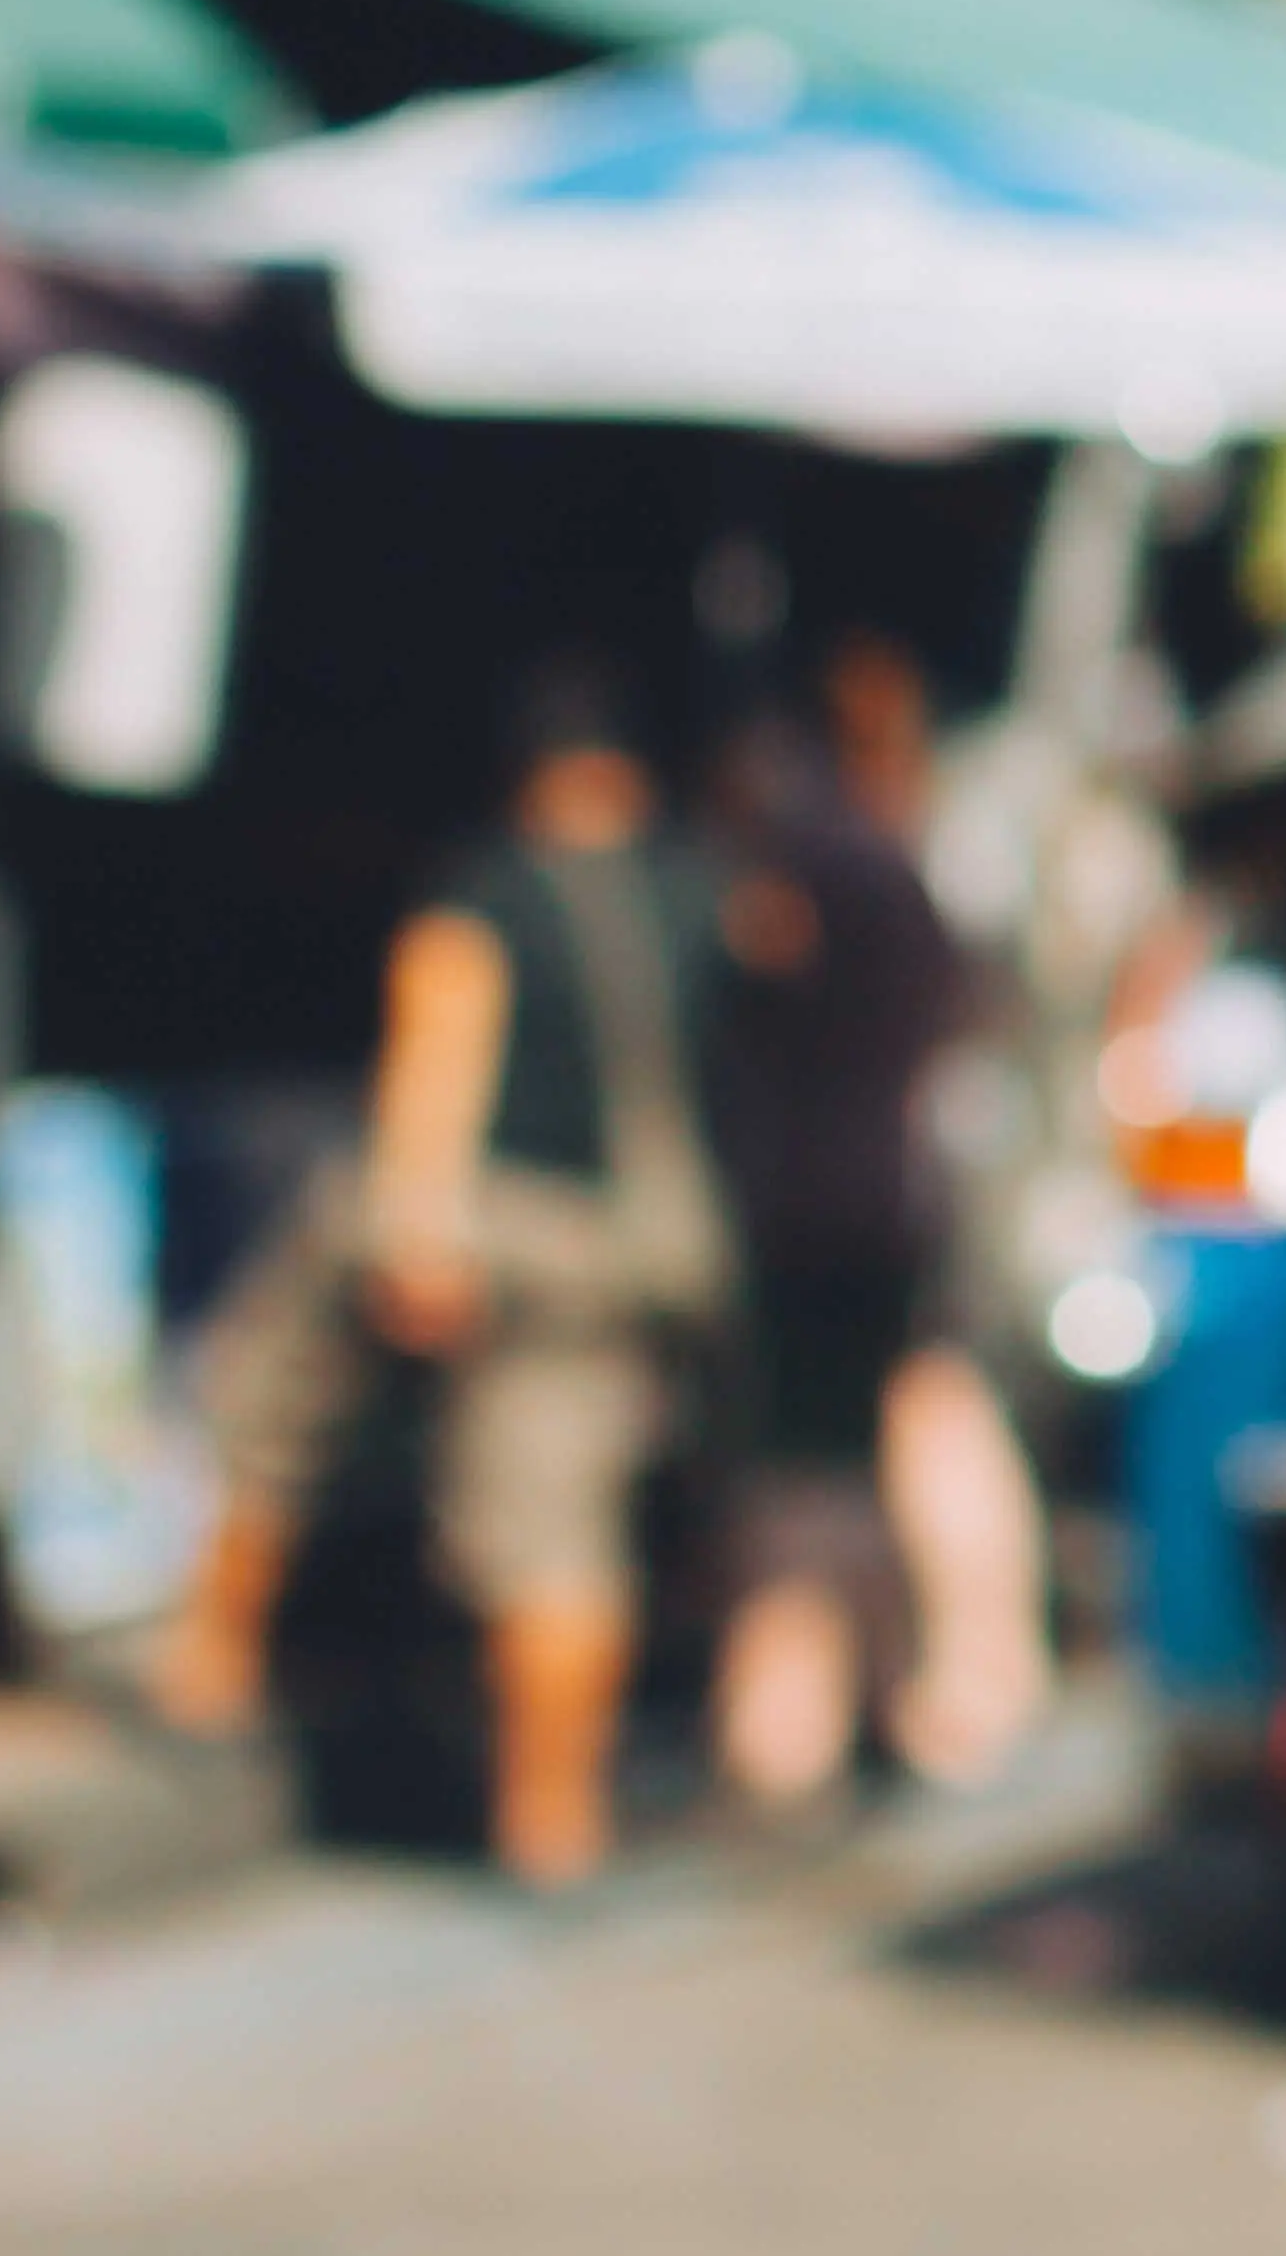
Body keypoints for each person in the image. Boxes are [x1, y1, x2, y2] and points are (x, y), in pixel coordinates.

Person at [155, 661, 738, 1890]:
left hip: (496, 1219)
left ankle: (211, 1657)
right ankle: (555, 1817)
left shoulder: (491, 890)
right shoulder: (700, 895)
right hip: (630, 1255)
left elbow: (438, 1042)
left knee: (269, 1400)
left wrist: (417, 1223)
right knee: (562, 1522)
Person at [697, 636, 1051, 1810]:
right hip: (894, 1201)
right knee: (874, 1445)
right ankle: (896, 1692)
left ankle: (824, 1713)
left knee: (832, 1458)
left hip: (828, 1214)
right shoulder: (904, 871)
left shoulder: (823, 869)